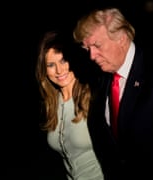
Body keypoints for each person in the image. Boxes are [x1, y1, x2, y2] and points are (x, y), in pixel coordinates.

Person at [73, 7, 153, 179]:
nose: (92, 56)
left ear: (122, 38)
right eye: (87, 49)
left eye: (97, 45)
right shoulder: (101, 80)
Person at [36, 29, 104, 180]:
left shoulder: (93, 97)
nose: (59, 71)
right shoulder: (52, 104)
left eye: (63, 61)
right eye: (51, 65)